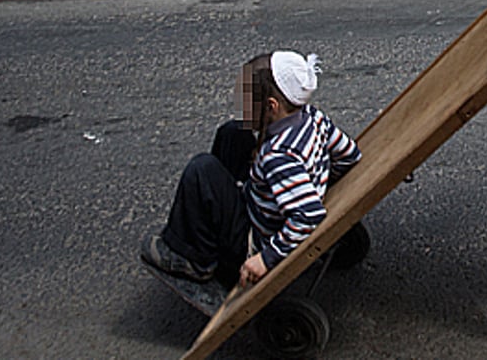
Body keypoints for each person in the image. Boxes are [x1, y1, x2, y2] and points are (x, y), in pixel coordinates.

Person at [141, 51, 362, 288]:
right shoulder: (314, 117)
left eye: (247, 102)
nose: (242, 106)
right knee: (233, 132)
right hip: (267, 202)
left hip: (252, 240)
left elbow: (309, 215)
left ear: (271, 106)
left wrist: (265, 259)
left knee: (201, 170)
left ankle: (197, 261)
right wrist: (314, 179)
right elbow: (349, 155)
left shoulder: (279, 157)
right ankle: (207, 219)